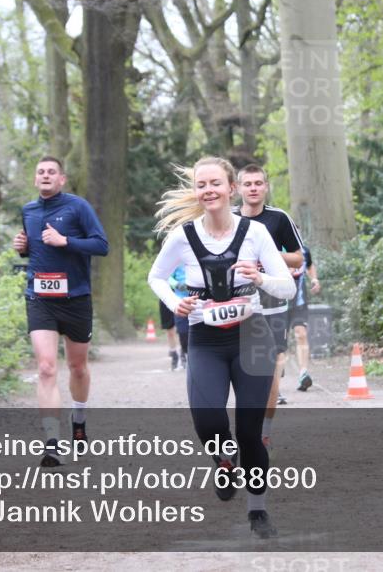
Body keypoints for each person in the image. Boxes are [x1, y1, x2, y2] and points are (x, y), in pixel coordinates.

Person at [148, 156, 295, 539]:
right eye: (202, 184)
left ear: (231, 188)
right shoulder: (184, 236)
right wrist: (174, 301)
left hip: (252, 336)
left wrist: (261, 277)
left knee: (249, 431)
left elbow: (288, 287)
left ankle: (258, 510)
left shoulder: (255, 234)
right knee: (208, 420)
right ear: (196, 191)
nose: (208, 190)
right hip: (206, 340)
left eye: (215, 183)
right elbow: (156, 276)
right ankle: (224, 462)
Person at [13, 156, 109, 467]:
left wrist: (65, 240)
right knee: (46, 368)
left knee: (78, 368)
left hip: (76, 298)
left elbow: (101, 245)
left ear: (62, 179)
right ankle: (51, 442)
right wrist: (23, 248)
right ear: (34, 179)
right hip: (40, 297)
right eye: (40, 172)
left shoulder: (78, 207)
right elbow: (35, 248)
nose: (45, 176)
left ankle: (78, 419)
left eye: (51, 172)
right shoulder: (28, 210)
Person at [235, 164, 303, 445]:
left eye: (258, 183)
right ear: (237, 188)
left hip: (273, 302)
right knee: (242, 368)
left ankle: (264, 433)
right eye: (247, 183)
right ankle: (243, 427)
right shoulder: (227, 218)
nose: (253, 188)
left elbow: (298, 258)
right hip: (238, 302)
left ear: (266, 187)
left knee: (271, 367)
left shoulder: (279, 218)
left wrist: (272, 255)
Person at [288, 245, 322, 391]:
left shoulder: (304, 250)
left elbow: (309, 264)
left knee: (301, 334)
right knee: (277, 343)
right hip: (278, 303)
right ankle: (275, 383)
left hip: (299, 302)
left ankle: (303, 373)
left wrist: (314, 279)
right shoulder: (274, 247)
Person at [158, 299, 180, 370]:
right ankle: (174, 353)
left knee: (183, 330)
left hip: (180, 296)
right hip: (165, 298)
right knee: (169, 330)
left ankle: (184, 350)